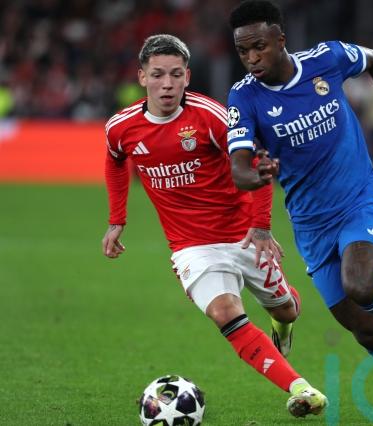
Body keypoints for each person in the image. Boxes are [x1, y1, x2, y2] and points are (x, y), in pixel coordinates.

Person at [226, 2, 373, 424]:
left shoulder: (325, 60)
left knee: (361, 285)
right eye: (243, 51)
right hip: (311, 223)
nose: (252, 58)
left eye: (259, 46)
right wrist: (257, 173)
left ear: (281, 39)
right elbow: (239, 170)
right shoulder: (244, 96)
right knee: (364, 327)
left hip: (360, 197)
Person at [101, 34, 327, 418]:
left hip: (243, 235)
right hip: (191, 247)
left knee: (287, 310)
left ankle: (282, 323)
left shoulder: (211, 117)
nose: (167, 84)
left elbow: (258, 165)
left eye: (175, 74)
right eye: (158, 75)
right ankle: (302, 389)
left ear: (187, 76)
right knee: (225, 312)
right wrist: (116, 220)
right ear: (142, 77)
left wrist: (261, 227)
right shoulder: (121, 127)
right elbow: (115, 160)